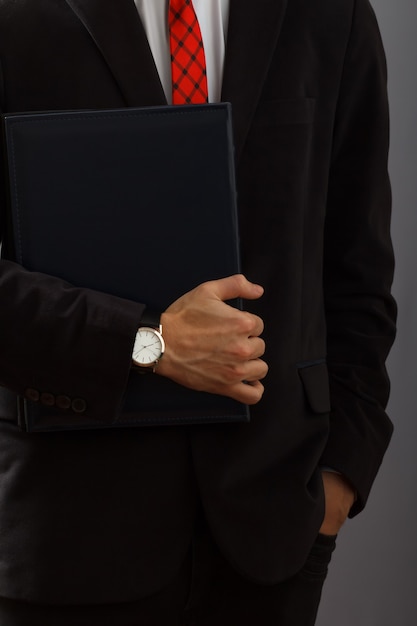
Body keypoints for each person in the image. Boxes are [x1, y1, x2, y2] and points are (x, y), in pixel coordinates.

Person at [0, 0, 396, 625]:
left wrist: (347, 468)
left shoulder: (332, 12)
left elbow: (358, 265)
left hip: (273, 535)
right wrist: (145, 343)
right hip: (68, 530)